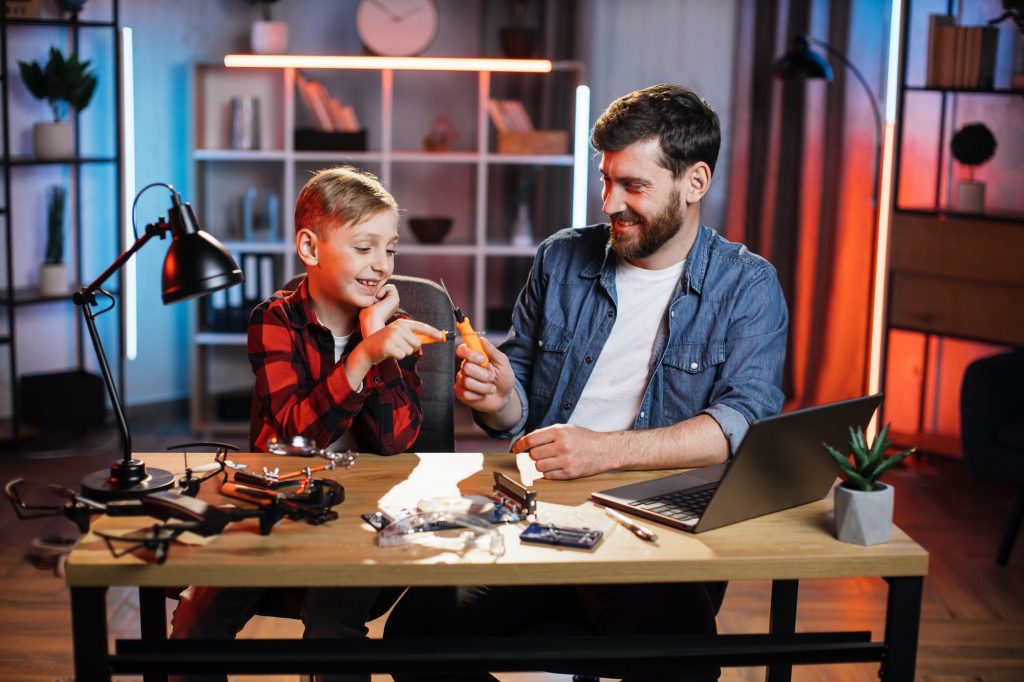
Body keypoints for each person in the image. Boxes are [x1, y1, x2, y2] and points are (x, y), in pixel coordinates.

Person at [384, 84, 788, 682]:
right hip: (534, 514)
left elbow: (741, 423)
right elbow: (514, 410)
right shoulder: (561, 258)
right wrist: (498, 399)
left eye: (634, 186)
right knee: (411, 638)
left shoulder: (748, 287)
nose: (609, 202)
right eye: (606, 180)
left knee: (685, 662)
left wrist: (604, 451)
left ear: (695, 183)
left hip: (656, 529)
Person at [170, 166, 444, 682]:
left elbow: (396, 442)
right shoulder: (273, 321)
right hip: (272, 503)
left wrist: (375, 341)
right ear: (310, 248)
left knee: (333, 631)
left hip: (363, 517)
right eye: (365, 248)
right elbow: (296, 440)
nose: (382, 266)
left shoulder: (394, 332)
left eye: (390, 250)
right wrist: (362, 358)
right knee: (195, 624)